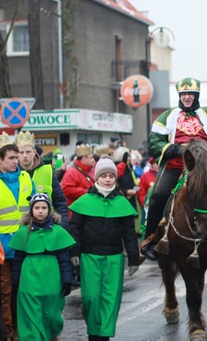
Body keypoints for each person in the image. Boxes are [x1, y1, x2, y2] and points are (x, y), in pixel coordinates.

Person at [142, 77, 207, 261]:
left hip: (205, 168)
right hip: (176, 166)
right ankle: (151, 239)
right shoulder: (167, 116)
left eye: (191, 94)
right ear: (179, 96)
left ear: (197, 95)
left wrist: (206, 152)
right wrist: (176, 149)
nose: (187, 97)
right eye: (184, 94)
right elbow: (154, 143)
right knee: (158, 195)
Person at [68, 155, 139, 341]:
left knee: (110, 299)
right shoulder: (84, 202)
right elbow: (74, 230)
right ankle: (94, 332)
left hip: (114, 258)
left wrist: (133, 257)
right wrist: (74, 252)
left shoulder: (122, 203)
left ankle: (105, 336)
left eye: (111, 176)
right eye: (104, 176)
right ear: (96, 178)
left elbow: (129, 233)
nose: (108, 179)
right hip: (89, 256)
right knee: (91, 298)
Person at [10, 193, 75, 341]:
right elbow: (18, 260)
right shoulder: (23, 233)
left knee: (51, 314)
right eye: (37, 207)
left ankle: (51, 335)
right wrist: (15, 281)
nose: (40, 211)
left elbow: (64, 260)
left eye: (44, 208)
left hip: (52, 279)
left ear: (49, 210)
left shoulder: (58, 232)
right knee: (30, 314)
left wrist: (67, 280)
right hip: (29, 279)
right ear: (31, 210)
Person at [0, 132, 36, 341]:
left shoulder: (26, 178)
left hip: (25, 245)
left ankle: (22, 329)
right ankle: (8, 331)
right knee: (5, 292)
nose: (17, 161)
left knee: (24, 291)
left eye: (17, 157)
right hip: (3, 249)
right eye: (11, 158)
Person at [15, 131, 70, 229]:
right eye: (21, 152)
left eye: (28, 152)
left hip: (47, 227)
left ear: (35, 152)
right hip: (21, 230)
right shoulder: (13, 174)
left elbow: (60, 202)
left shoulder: (47, 171)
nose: (24, 155)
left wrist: (63, 225)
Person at [61, 144, 95, 214]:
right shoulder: (72, 172)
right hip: (76, 212)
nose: (93, 160)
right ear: (84, 159)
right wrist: (87, 192)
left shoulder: (88, 172)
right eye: (91, 158)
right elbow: (66, 189)